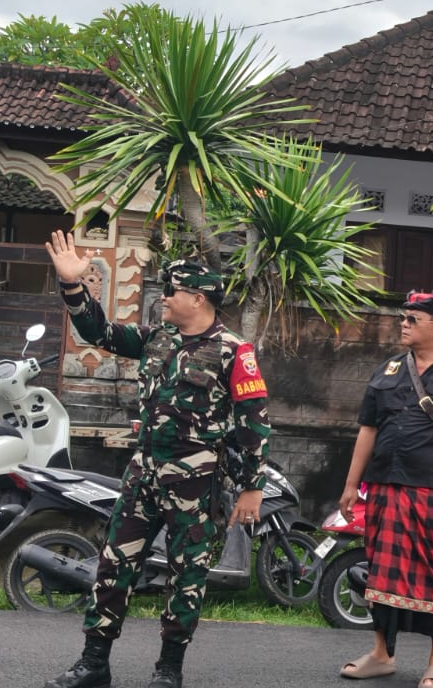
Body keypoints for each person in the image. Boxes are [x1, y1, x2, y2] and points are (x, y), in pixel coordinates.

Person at [41, 231, 271, 688]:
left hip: (196, 484)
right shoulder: (156, 338)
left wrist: (252, 486)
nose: (163, 297)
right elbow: (98, 332)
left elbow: (254, 420)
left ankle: (168, 672)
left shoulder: (233, 351)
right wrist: (73, 286)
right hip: (143, 476)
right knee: (112, 568)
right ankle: (94, 663)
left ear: (198, 297)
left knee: (186, 580)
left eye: (171, 290)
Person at [336, 291, 433, 688]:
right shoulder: (386, 370)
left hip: (432, 493)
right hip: (383, 488)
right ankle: (382, 654)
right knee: (381, 574)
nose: (403, 324)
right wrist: (352, 485)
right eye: (403, 318)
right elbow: (367, 430)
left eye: (413, 319)